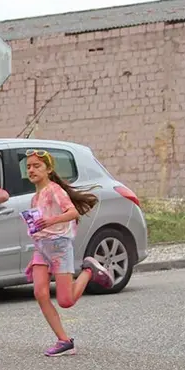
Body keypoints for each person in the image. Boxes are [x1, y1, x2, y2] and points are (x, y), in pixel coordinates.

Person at [23, 150, 115, 356]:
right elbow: (38, 226)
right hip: (42, 249)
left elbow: (72, 212)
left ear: (48, 169)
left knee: (66, 301)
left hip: (59, 247)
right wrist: (35, 247)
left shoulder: (54, 190)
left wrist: (51, 221)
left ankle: (89, 271)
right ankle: (64, 341)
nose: (31, 170)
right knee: (40, 293)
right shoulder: (35, 197)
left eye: (36, 166)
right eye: (28, 166)